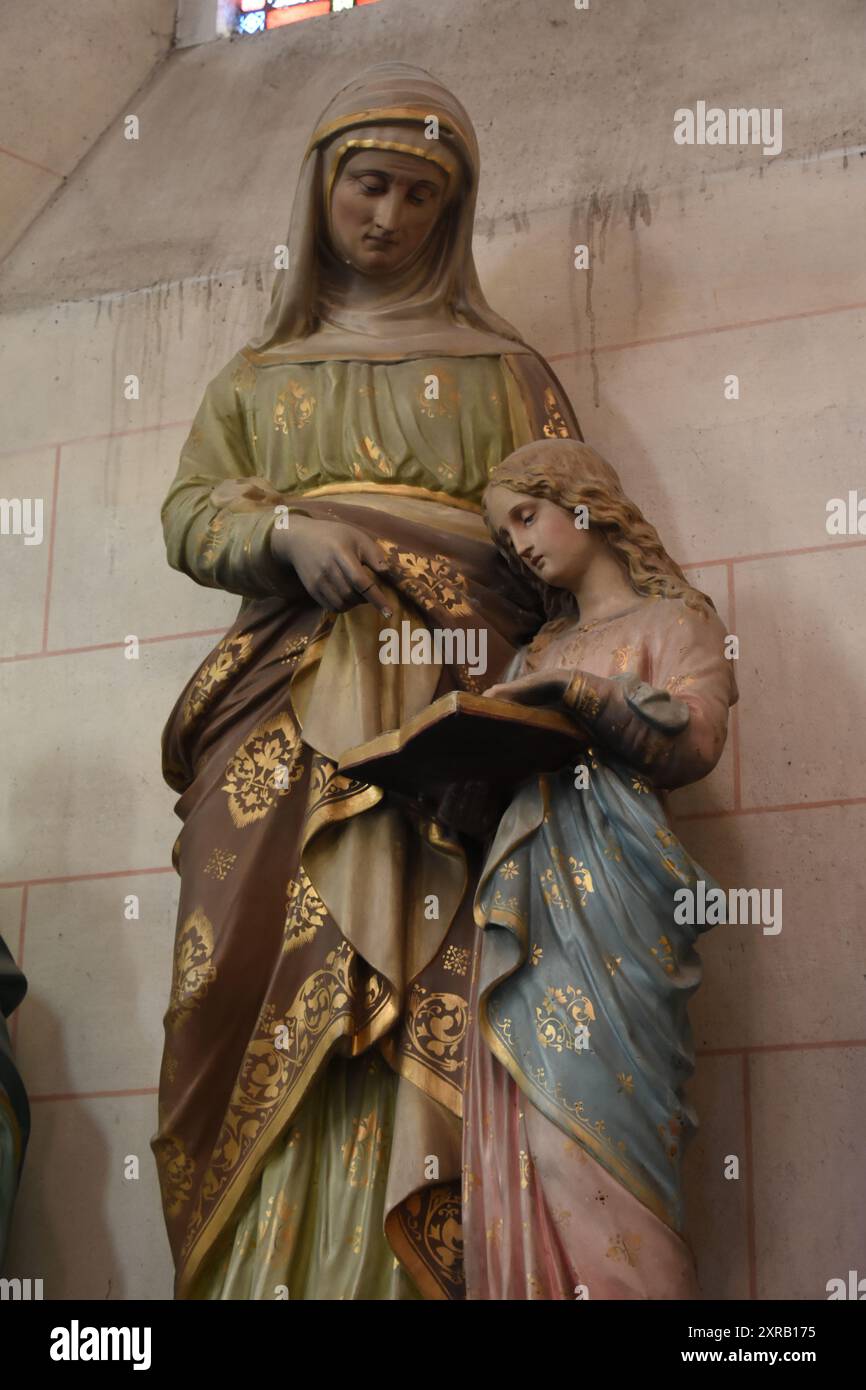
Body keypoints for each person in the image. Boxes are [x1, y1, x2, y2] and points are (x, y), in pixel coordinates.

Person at [153, 62, 584, 1300]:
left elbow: (563, 536)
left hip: (443, 713)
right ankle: (248, 1271)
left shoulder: (505, 371)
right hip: (275, 708)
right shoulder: (255, 375)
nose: (388, 217)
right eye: (368, 186)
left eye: (418, 197)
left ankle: (408, 1270)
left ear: (449, 216)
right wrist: (284, 531)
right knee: (234, 985)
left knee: (428, 977)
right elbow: (190, 513)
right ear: (322, 191)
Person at [463, 437, 738, 1298]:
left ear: (584, 504)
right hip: (531, 897)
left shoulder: (676, 622)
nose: (522, 544)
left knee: (607, 1121)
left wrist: (588, 700)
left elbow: (695, 741)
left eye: (526, 515)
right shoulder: (536, 650)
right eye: (506, 536)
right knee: (537, 1132)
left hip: (620, 901)